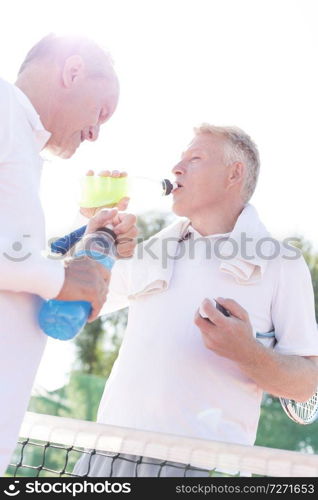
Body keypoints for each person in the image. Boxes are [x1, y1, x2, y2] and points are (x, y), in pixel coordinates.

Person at [74, 124, 318, 477]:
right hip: (106, 459)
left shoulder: (282, 263)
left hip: (202, 470)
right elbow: (74, 300)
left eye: (195, 158)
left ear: (234, 173)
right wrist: (97, 231)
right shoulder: (149, 253)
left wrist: (246, 352)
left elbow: (307, 385)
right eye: (179, 160)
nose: (176, 168)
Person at [0, 34, 137, 475]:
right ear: (72, 71)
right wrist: (61, 278)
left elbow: (15, 265)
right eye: (102, 110)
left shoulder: (20, 142)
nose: (97, 132)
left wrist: (85, 247)